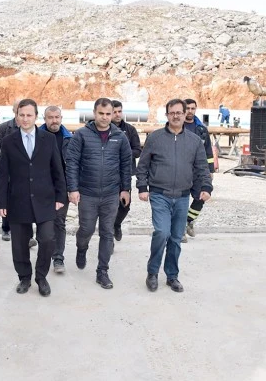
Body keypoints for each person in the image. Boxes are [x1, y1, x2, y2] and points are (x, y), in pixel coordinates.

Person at [137, 99, 212, 293]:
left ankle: (172, 276)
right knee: (162, 232)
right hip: (159, 194)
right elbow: (143, 165)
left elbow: (202, 167)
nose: (176, 116)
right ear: (167, 115)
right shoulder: (155, 138)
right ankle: (152, 273)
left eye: (179, 112)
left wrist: (206, 186)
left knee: (176, 238)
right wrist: (142, 187)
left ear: (185, 114)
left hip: (182, 196)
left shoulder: (194, 141)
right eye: (172, 113)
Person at [0, 99, 66, 297]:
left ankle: (41, 277)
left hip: (45, 199)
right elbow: (2, 174)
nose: (25, 119)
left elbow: (57, 169)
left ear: (36, 116)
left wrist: (60, 196)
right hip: (18, 200)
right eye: (22, 115)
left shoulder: (48, 139)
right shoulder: (8, 142)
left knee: (48, 238)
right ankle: (24, 277)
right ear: (16, 116)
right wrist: (1, 201)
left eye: (29, 115)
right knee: (19, 243)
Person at [65, 98, 132, 289]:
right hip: (87, 193)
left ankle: (102, 271)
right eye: (101, 113)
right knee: (86, 229)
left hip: (111, 194)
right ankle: (81, 248)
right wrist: (73, 189)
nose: (104, 117)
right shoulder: (82, 135)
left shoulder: (120, 136)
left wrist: (125, 189)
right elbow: (72, 162)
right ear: (94, 113)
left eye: (108, 114)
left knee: (107, 232)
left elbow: (126, 164)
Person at [0, 99, 35, 248]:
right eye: (20, 110)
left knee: (28, 203)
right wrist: (0, 167)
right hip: (9, 172)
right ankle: (6, 228)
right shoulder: (4, 128)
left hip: (26, 174)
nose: (24, 116)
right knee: (8, 201)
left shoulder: (32, 128)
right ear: (15, 111)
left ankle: (28, 235)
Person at [39, 106, 73, 274]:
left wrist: (73, 188)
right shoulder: (36, 137)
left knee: (59, 222)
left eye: (57, 117)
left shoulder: (69, 138)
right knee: (43, 222)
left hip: (62, 188)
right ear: (44, 119)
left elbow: (74, 164)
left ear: (61, 118)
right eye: (50, 117)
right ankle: (43, 255)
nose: (54, 120)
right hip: (41, 188)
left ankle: (58, 257)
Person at [182, 99, 216, 243]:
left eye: (193, 108)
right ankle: (180, 230)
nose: (190, 111)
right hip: (181, 170)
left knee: (201, 197)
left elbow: (208, 150)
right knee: (181, 200)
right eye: (187, 108)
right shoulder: (177, 126)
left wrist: (210, 170)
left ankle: (189, 221)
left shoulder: (201, 129)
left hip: (198, 171)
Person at [110, 100, 142, 242]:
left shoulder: (130, 130)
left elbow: (137, 150)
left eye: (119, 111)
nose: (117, 115)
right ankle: (108, 236)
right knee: (109, 206)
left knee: (124, 205)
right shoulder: (103, 129)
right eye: (114, 112)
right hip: (107, 173)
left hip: (125, 173)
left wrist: (123, 153)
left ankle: (116, 224)